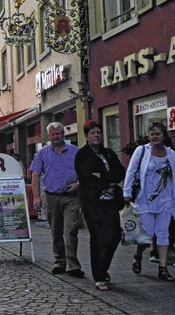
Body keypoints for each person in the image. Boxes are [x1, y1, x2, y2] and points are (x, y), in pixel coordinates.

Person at [75, 121, 125, 291]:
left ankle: (103, 267)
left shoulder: (109, 153)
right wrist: (108, 180)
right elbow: (86, 177)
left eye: (98, 132)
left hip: (110, 202)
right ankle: (99, 275)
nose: (96, 135)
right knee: (98, 237)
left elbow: (120, 172)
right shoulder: (82, 155)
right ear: (86, 136)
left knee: (115, 235)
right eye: (92, 133)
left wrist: (102, 176)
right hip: (92, 202)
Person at [30, 122, 84, 277]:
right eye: (52, 134)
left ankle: (73, 265)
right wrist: (36, 197)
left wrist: (79, 184)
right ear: (49, 136)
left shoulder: (75, 151)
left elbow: (84, 171)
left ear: (63, 134)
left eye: (58, 134)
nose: (55, 137)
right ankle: (59, 262)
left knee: (70, 231)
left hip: (72, 197)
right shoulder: (42, 153)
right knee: (56, 232)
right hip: (52, 197)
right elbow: (35, 174)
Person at [123, 122, 175, 281]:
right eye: (152, 134)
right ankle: (137, 255)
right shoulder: (142, 151)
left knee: (163, 234)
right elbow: (131, 171)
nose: (154, 137)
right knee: (147, 235)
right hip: (145, 199)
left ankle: (163, 268)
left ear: (163, 135)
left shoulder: (171, 154)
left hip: (165, 200)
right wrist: (127, 191)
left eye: (158, 134)